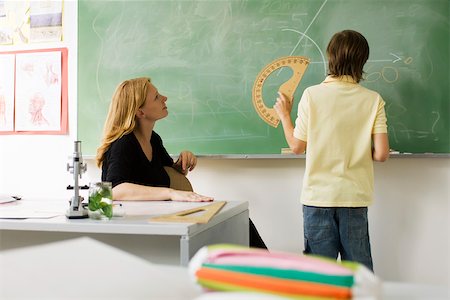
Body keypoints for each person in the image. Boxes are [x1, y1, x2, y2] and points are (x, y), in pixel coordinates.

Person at [96, 77, 266, 248]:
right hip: (138, 231)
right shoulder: (124, 143)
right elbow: (115, 190)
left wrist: (181, 163)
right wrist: (171, 193)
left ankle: (268, 273)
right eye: (156, 97)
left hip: (159, 222)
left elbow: (167, 173)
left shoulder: (153, 140)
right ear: (140, 112)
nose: (164, 98)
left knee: (239, 220)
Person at [273, 30, 390, 271]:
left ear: (330, 57)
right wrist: (355, 149)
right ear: (362, 61)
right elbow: (381, 154)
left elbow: (297, 147)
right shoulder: (373, 99)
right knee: (358, 274)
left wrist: (284, 115)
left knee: (319, 276)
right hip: (354, 198)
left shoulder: (311, 95)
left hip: (318, 198)